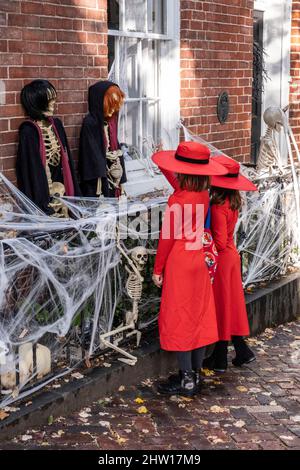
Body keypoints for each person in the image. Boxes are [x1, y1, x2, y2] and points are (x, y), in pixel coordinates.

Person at [151, 142, 227, 396]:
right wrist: (164, 167)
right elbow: (181, 187)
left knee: (181, 318)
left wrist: (158, 269)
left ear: (181, 170)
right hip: (199, 259)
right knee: (196, 316)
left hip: (180, 261)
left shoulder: (177, 200)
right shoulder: (202, 194)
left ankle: (186, 380)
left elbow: (167, 238)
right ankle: (195, 375)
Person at [203, 155, 258, 372]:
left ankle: (220, 358)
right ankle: (240, 351)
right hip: (232, 257)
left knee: (222, 307)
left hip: (223, 259)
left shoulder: (217, 205)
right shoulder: (233, 201)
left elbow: (218, 241)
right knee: (231, 306)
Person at [16, 80, 81, 216]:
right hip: (43, 189)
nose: (53, 103)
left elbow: (67, 156)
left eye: (53, 99)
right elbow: (29, 170)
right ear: (37, 102)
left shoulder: (56, 124)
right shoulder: (29, 130)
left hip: (61, 184)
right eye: (49, 100)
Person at [78, 81, 127, 197]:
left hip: (114, 173)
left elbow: (116, 144)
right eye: (110, 105)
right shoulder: (90, 123)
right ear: (99, 102)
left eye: (115, 105)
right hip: (98, 181)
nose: (112, 110)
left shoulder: (111, 122)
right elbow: (91, 155)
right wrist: (106, 156)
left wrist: (122, 179)